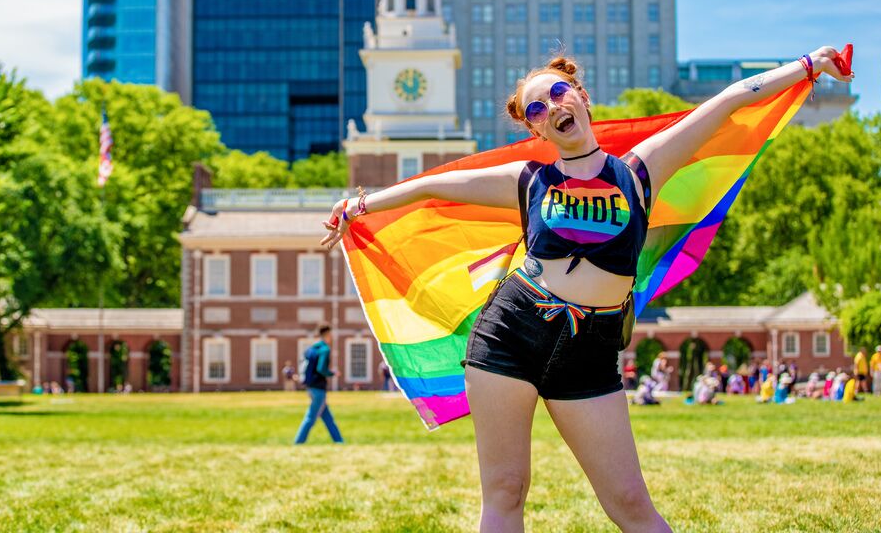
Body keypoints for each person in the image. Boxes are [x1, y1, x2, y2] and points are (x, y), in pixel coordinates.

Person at [320, 47, 852, 532]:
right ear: (537, 129)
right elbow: (435, 184)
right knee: (505, 491)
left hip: (591, 350)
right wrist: (360, 206)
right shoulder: (528, 181)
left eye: (557, 93)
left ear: (581, 97)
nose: (551, 108)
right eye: (536, 110)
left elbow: (728, 103)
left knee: (629, 502)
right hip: (511, 333)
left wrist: (807, 67)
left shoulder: (640, 172)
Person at [293, 325, 344, 445]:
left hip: (311, 386)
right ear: (327, 334)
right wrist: (333, 373)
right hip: (318, 388)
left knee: (327, 417)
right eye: (331, 334)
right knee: (311, 417)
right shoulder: (325, 349)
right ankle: (298, 442)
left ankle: (339, 441)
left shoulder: (312, 348)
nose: (332, 337)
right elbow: (321, 369)